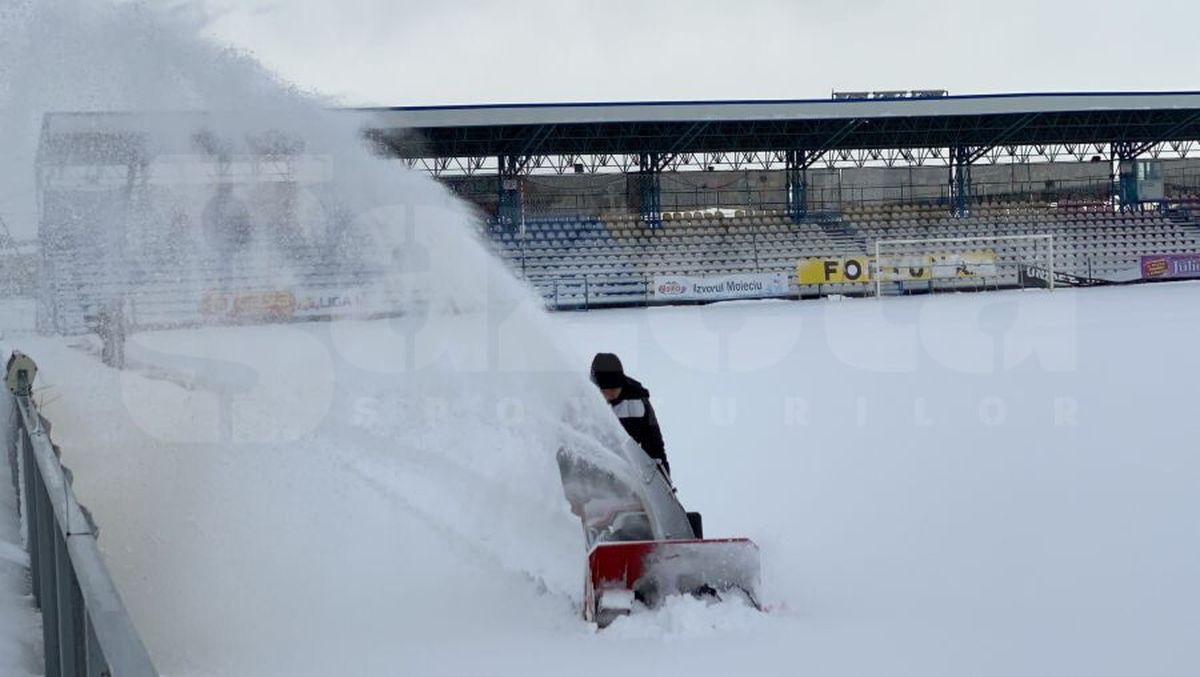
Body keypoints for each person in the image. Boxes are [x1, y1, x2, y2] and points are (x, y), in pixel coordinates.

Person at [589, 352, 670, 478]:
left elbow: (654, 446)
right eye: (605, 391)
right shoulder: (581, 399)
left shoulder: (639, 400)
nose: (610, 395)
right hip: (590, 470)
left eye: (614, 390)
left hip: (626, 472)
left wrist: (664, 483)